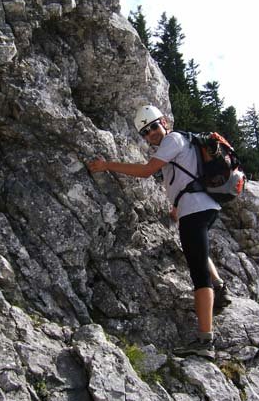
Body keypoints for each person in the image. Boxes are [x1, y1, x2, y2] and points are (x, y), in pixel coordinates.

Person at [87, 105, 233, 360]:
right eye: (145, 132)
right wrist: (177, 206)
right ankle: (219, 287)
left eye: (153, 126)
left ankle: (205, 341)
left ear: (164, 122)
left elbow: (146, 171)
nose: (151, 133)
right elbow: (186, 175)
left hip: (195, 210)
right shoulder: (183, 142)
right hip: (201, 207)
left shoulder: (172, 140)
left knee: (199, 275)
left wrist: (106, 165)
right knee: (198, 252)